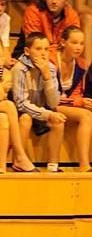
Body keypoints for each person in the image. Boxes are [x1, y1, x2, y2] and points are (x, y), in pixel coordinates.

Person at [12, 32, 66, 173]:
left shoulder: (51, 69)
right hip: (21, 112)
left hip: (41, 109)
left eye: (46, 49)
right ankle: (19, 160)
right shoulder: (20, 69)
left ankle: (53, 166)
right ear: (27, 51)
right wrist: (46, 114)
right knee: (26, 118)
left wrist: (47, 76)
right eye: (38, 49)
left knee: (58, 120)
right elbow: (21, 104)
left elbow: (54, 102)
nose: (43, 53)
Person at [56, 26, 92, 172]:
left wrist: (84, 102)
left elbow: (77, 93)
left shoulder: (81, 64)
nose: (79, 47)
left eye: (81, 43)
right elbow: (49, 97)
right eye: (74, 43)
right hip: (47, 104)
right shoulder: (52, 60)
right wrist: (76, 102)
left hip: (65, 104)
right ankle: (84, 165)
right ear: (63, 42)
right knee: (85, 116)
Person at [19, 0, 80, 65]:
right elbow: (35, 45)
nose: (54, 1)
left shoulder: (72, 15)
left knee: (80, 63)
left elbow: (73, 43)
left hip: (60, 58)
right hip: (31, 57)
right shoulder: (33, 11)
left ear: (66, 0)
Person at [0, 63, 38, 173]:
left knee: (3, 118)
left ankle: (2, 166)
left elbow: (3, 94)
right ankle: (20, 155)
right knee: (9, 106)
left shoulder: (3, 71)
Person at [0, 0, 12, 68]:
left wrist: (7, 59)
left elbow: (5, 41)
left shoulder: (5, 18)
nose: (0, 8)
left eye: (3, 4)